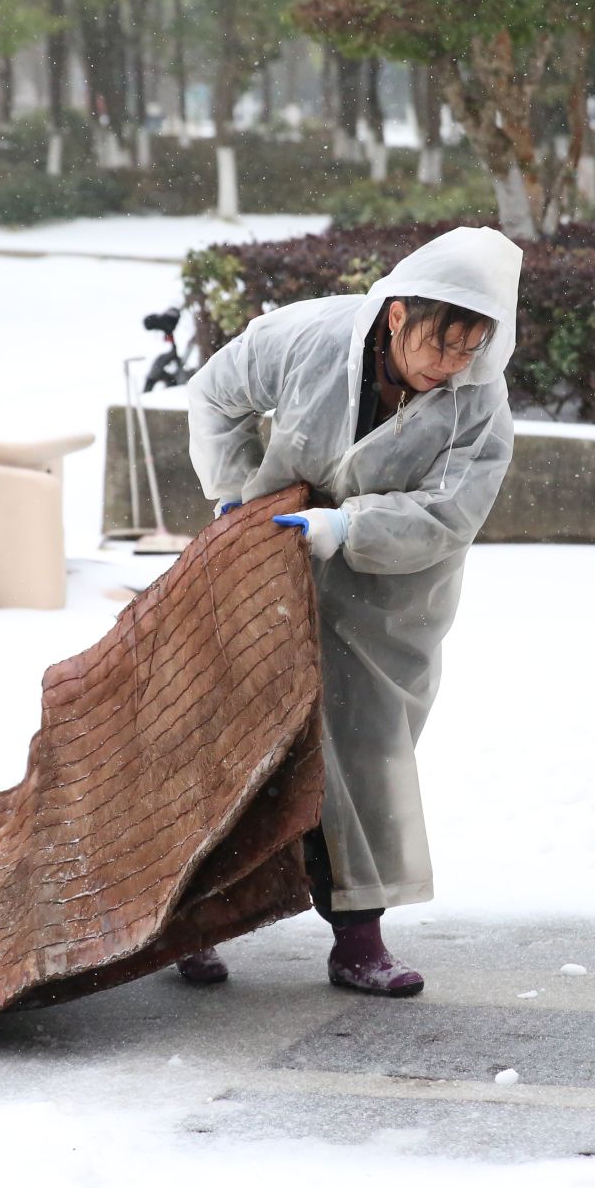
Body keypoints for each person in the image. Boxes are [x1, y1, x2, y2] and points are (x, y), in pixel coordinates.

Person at [176, 225, 522, 997]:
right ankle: (192, 922)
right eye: (440, 344)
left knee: (361, 758)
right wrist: (233, 494)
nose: (450, 366)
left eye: (469, 349)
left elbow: (450, 513)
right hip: (268, 572)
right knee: (237, 741)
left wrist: (348, 526)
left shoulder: (479, 402)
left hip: (387, 600)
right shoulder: (310, 337)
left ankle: (359, 942)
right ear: (397, 314)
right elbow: (216, 392)